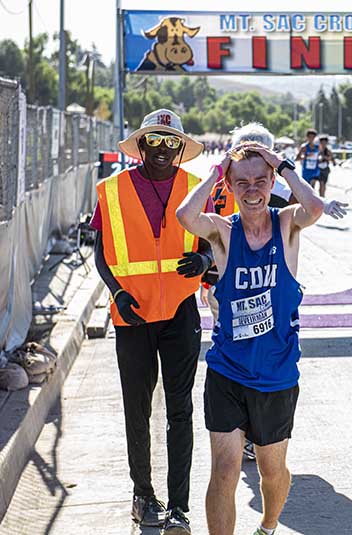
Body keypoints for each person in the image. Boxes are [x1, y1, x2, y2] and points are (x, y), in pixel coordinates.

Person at [176, 141, 324, 535]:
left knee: (272, 472)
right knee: (224, 470)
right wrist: (215, 172)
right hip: (227, 370)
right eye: (243, 183)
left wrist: (283, 163)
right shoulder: (223, 232)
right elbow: (185, 215)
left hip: (276, 375)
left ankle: (269, 526)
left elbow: (316, 208)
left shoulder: (287, 224)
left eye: (261, 180)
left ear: (272, 181)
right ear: (231, 185)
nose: (253, 190)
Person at [91, 109, 210, 534]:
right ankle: (143, 495)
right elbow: (101, 253)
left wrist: (206, 258)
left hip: (180, 311)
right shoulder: (112, 190)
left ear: (180, 148)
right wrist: (117, 293)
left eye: (171, 143)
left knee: (180, 410)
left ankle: (179, 507)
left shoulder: (195, 189)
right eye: (154, 142)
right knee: (136, 409)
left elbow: (211, 241)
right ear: (141, 146)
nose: (162, 150)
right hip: (132, 316)